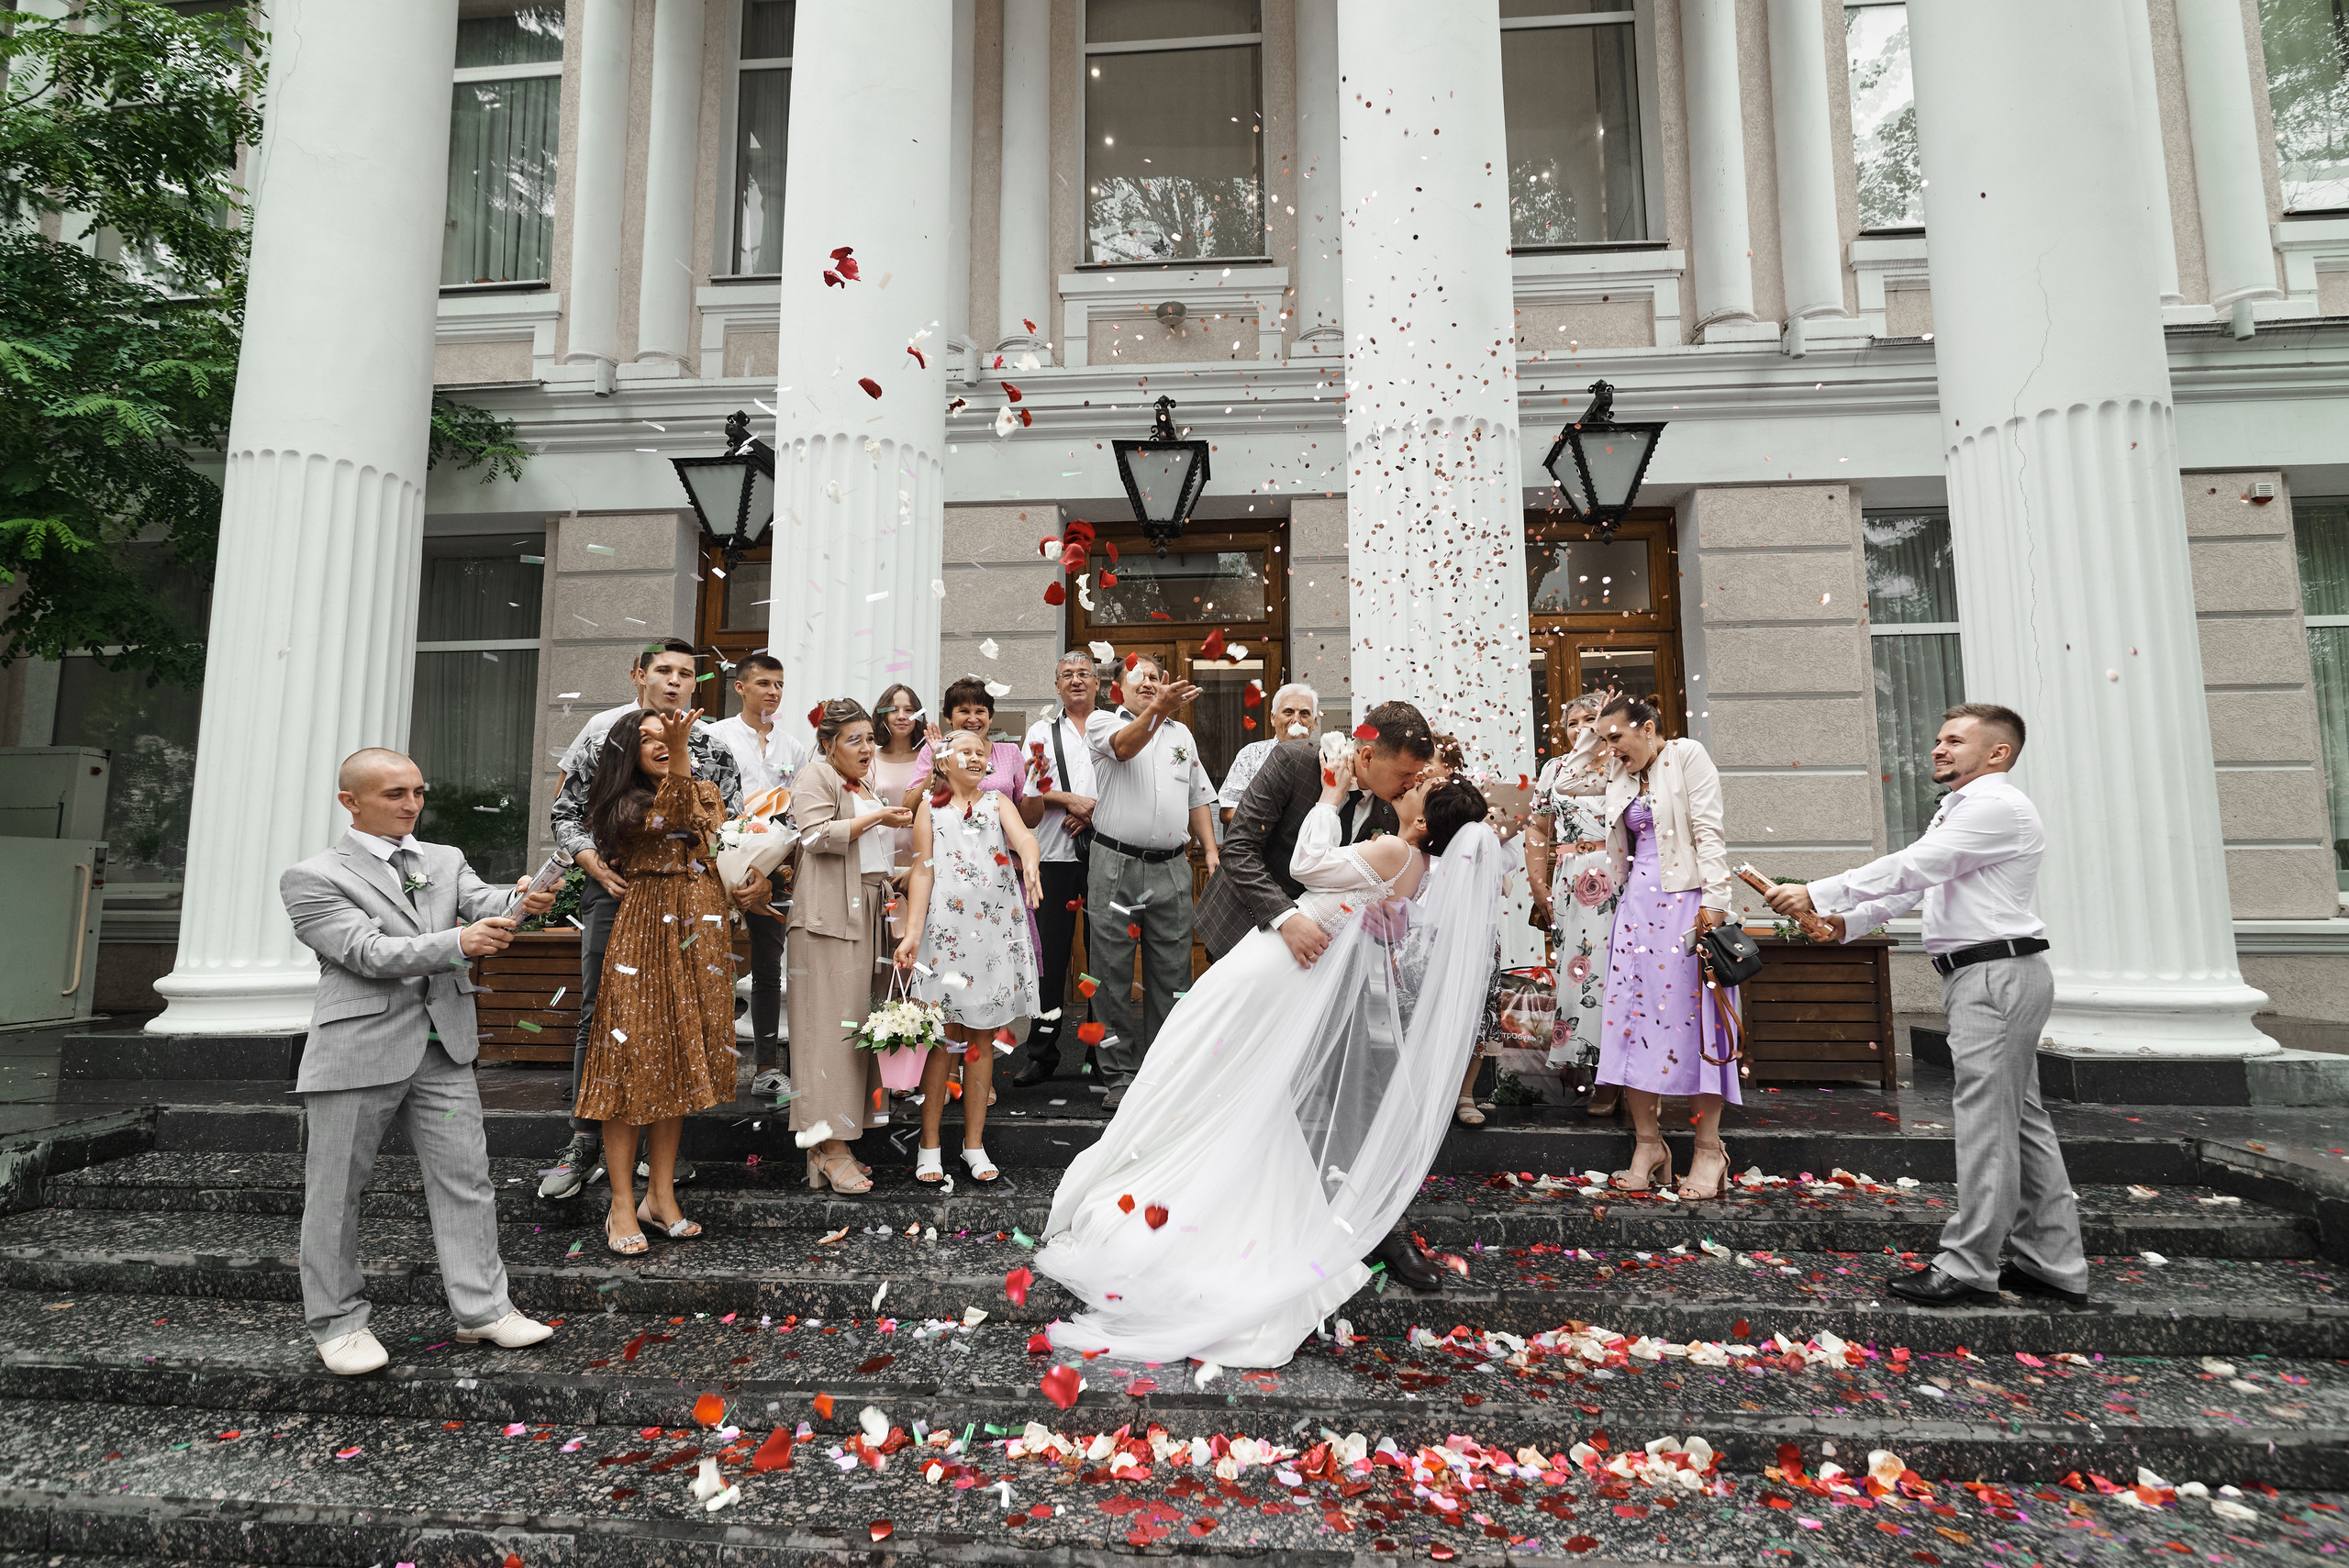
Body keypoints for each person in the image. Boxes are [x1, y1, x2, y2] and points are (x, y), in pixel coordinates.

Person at [1037, 770, 1502, 1369]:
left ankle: (1148, 1182)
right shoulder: (1417, 870)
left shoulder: (1395, 846)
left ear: (1420, 823)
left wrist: (1330, 796)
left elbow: (1308, 865)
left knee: (1188, 1058)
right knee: (1214, 1075)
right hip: (1295, 974)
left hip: (1272, 964)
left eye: (1419, 789)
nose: (1409, 786)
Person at [1763, 704, 2084, 1309]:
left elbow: (1916, 865)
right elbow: (1918, 885)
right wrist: (1843, 922)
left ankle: (1969, 1265)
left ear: (1998, 753)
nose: (1938, 748)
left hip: (1995, 974)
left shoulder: (1996, 807)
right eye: (1937, 738)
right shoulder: (1960, 810)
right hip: (1989, 974)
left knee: (1989, 1124)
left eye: (1955, 739)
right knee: (2020, 1123)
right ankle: (2052, 1261)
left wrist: (1819, 890)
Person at [280, 748, 557, 1375]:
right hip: (357, 1050)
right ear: (351, 801)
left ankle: (483, 1309)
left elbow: (481, 900)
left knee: (467, 1178)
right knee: (336, 1193)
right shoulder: (313, 875)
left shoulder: (444, 858)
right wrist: (458, 941)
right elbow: (365, 950)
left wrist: (522, 898)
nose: (412, 805)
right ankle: (339, 1323)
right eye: (395, 794)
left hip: (444, 1046)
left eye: (418, 792)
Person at [1195, 699, 1445, 1292]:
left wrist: (1384, 912)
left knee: (1346, 1083)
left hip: (1333, 963)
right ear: (1366, 754)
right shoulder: (1293, 762)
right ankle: (1231, 1211)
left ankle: (1375, 1225)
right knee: (1248, 1082)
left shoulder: (1393, 805)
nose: (1413, 789)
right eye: (1406, 775)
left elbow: (1372, 878)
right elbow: (1239, 853)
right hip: (1253, 940)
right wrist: (1285, 919)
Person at [539, 639, 747, 1202]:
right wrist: (593, 867)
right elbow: (566, 813)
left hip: (693, 902)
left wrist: (745, 870)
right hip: (620, 891)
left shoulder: (712, 746)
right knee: (604, 1012)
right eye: (665, 671)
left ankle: (661, 1161)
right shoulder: (609, 734)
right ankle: (586, 1140)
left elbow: (735, 822)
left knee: (678, 1018)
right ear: (640, 675)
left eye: (686, 673)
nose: (676, 680)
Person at [576, 708, 739, 1254]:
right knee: (631, 1061)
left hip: (702, 927)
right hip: (646, 928)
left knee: (676, 1060)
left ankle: (660, 1197)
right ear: (629, 750)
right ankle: (622, 1204)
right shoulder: (620, 803)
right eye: (651, 739)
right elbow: (672, 817)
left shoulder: (704, 786)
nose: (666, 743)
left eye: (671, 736)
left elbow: (712, 835)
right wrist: (683, 754)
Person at [1588, 695, 1742, 1201]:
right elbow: (1566, 788)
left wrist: (1715, 904)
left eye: (1616, 737)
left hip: (1688, 905)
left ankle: (1708, 1148)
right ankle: (1647, 1145)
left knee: (1695, 1022)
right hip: (1636, 911)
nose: (1609, 748)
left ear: (1649, 728)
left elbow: (1708, 833)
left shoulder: (1687, 756)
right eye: (1604, 739)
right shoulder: (1619, 774)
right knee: (1630, 1022)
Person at [894, 728, 1045, 1184]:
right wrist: (913, 933)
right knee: (944, 1041)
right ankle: (930, 1146)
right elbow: (922, 871)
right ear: (943, 762)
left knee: (981, 1042)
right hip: (946, 932)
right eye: (967, 751)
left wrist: (1032, 862)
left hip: (994, 934)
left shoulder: (1000, 804)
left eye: (982, 753)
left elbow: (1025, 839)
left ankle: (974, 1147)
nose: (977, 757)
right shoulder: (929, 808)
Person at [785, 698, 914, 1192]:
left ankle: (836, 1145)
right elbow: (815, 836)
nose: (866, 748)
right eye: (853, 739)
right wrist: (879, 817)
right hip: (827, 919)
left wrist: (912, 876)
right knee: (827, 1032)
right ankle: (827, 1145)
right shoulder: (815, 776)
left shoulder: (863, 784)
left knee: (858, 1030)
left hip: (869, 912)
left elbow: (871, 858)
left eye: (869, 738)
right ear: (828, 745)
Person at [1083, 653, 1219, 1110]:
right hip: (1115, 865)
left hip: (1173, 867)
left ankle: (1166, 1071)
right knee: (1111, 972)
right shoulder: (1102, 722)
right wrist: (1159, 708)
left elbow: (1198, 797)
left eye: (1156, 679)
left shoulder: (1182, 734)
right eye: (1140, 677)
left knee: (1175, 971)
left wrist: (1212, 853)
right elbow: (1125, 747)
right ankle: (1120, 1075)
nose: (1150, 683)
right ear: (1117, 686)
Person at [705, 652, 807, 1099]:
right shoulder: (713, 737)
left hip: (770, 872)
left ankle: (767, 1066)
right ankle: (708, 1067)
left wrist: (769, 870)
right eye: (764, 683)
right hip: (713, 868)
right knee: (707, 968)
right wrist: (726, 864)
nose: (773, 691)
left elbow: (798, 815)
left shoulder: (794, 748)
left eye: (779, 684)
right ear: (740, 687)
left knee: (768, 968)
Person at [1525, 694, 1624, 1117]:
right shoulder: (1554, 769)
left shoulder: (1624, 764)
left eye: (1591, 720)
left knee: (1611, 973)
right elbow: (1538, 827)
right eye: (1572, 722)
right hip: (1569, 878)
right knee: (1576, 973)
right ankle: (1577, 1059)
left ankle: (1613, 1077)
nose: (1580, 728)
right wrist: (1536, 882)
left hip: (1615, 876)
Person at [1014, 651, 1103, 1087]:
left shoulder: (1116, 727)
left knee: (1103, 957)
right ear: (1057, 686)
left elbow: (1130, 787)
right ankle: (1042, 1052)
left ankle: (1100, 1053)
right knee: (1049, 959)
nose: (1076, 680)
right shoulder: (1040, 732)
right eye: (1067, 675)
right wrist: (1068, 800)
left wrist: (1093, 812)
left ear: (1098, 682)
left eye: (1084, 673)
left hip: (1105, 854)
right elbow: (1028, 796)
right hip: (1052, 856)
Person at [1218, 682, 1319, 828]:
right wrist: (1272, 827)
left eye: (1304, 713)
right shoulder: (1251, 755)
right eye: (1288, 712)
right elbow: (1227, 811)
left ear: (1314, 723)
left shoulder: (1326, 759)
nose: (1296, 720)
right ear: (1273, 718)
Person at [869, 682, 932, 872]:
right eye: (894, 710)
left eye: (909, 710)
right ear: (883, 715)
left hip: (924, 859)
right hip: (878, 857)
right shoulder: (869, 759)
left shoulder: (929, 758)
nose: (902, 716)